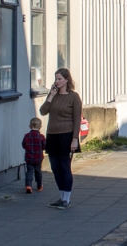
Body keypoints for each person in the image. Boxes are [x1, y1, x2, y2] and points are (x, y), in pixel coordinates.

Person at [40, 69, 82, 210]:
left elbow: (77, 119)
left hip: (66, 135)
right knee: (55, 167)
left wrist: (75, 139)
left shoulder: (73, 97)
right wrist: (51, 96)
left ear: (66, 80)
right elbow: (43, 111)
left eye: (59, 79)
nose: (56, 82)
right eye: (55, 79)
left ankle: (67, 199)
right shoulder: (54, 95)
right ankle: (61, 196)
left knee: (65, 167)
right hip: (52, 134)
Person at [21, 117, 46, 194]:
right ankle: (39, 185)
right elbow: (44, 146)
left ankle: (28, 185)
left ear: (29, 126)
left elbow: (23, 145)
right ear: (40, 127)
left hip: (29, 158)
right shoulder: (41, 137)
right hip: (38, 158)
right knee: (38, 172)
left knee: (29, 172)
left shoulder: (26, 136)